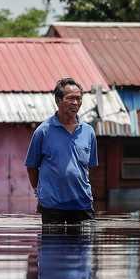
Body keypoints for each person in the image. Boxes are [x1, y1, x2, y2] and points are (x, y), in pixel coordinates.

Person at [25, 77, 98, 226]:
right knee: (52, 248)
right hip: (52, 206)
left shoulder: (88, 132)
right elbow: (31, 167)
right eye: (70, 98)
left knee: (83, 248)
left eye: (79, 99)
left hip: (82, 205)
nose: (76, 103)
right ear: (58, 100)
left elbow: (90, 167)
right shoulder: (43, 131)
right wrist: (39, 192)